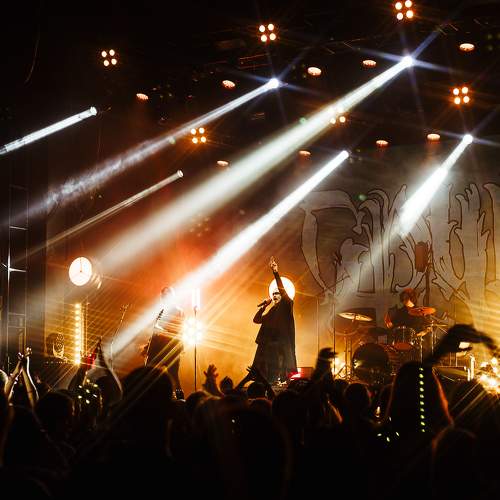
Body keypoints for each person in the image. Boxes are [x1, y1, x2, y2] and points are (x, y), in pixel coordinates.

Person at [251, 256, 297, 384]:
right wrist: (264, 307)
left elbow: (282, 289)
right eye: (273, 294)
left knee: (279, 370)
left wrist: (275, 272)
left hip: (281, 346)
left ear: (282, 295)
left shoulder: (287, 304)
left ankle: (278, 382)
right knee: (267, 373)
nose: (274, 295)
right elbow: (256, 320)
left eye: (277, 293)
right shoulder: (272, 311)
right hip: (269, 347)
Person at [143, 286, 185, 392]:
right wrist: (148, 346)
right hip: (157, 349)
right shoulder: (161, 311)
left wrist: (160, 330)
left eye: (166, 295)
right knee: (148, 373)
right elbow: (155, 332)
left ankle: (180, 399)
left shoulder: (178, 311)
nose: (163, 298)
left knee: (174, 376)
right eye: (162, 296)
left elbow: (176, 330)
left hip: (171, 349)